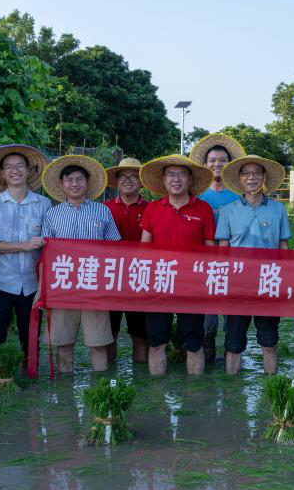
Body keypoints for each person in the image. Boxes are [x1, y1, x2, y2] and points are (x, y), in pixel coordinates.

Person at [41, 155, 122, 374]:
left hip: (94, 287)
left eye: (79, 179)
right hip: (63, 287)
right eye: (69, 180)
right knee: (64, 344)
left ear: (87, 183)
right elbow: (45, 255)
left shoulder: (102, 211)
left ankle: (100, 393)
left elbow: (116, 250)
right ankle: (65, 397)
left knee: (98, 344)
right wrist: (44, 289)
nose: (74, 184)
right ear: (61, 184)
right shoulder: (51, 215)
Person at [139, 154, 217, 375]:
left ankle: (195, 396)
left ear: (190, 180)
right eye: (171, 174)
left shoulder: (203, 209)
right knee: (156, 343)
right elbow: (144, 250)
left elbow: (210, 250)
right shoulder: (153, 209)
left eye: (182, 174)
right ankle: (157, 399)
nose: (176, 179)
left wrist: (205, 284)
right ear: (163, 180)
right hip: (158, 283)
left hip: (191, 286)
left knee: (194, 343)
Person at [216, 155, 291, 374]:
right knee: (234, 342)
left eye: (257, 173)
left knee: (269, 341)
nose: (252, 178)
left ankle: (271, 388)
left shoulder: (277, 209)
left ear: (264, 177)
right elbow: (223, 247)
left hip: (268, 283)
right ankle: (231, 391)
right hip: (237, 284)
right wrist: (223, 281)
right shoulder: (228, 210)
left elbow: (283, 245)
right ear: (240, 179)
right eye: (246, 174)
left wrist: (285, 280)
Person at [0, 144, 51, 362]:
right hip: (0, 281)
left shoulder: (43, 204)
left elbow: (50, 244)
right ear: (2, 173)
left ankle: (31, 375)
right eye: (9, 167)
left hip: (32, 283)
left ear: (29, 170)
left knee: (29, 336)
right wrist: (24, 245)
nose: (15, 170)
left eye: (20, 165)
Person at [189, 133, 246, 363]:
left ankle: (232, 359)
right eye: (212, 160)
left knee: (233, 316)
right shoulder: (198, 196)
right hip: (204, 266)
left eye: (222, 160)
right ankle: (207, 359)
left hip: (235, 264)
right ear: (205, 164)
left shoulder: (239, 196)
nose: (217, 164)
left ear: (230, 164)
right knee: (207, 318)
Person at [102, 157, 150, 367]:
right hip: (110, 278)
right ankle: (108, 376)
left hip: (140, 278)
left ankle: (140, 382)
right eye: (123, 176)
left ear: (141, 182)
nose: (128, 180)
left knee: (139, 333)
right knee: (109, 332)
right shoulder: (104, 208)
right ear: (116, 181)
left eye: (134, 176)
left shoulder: (152, 209)